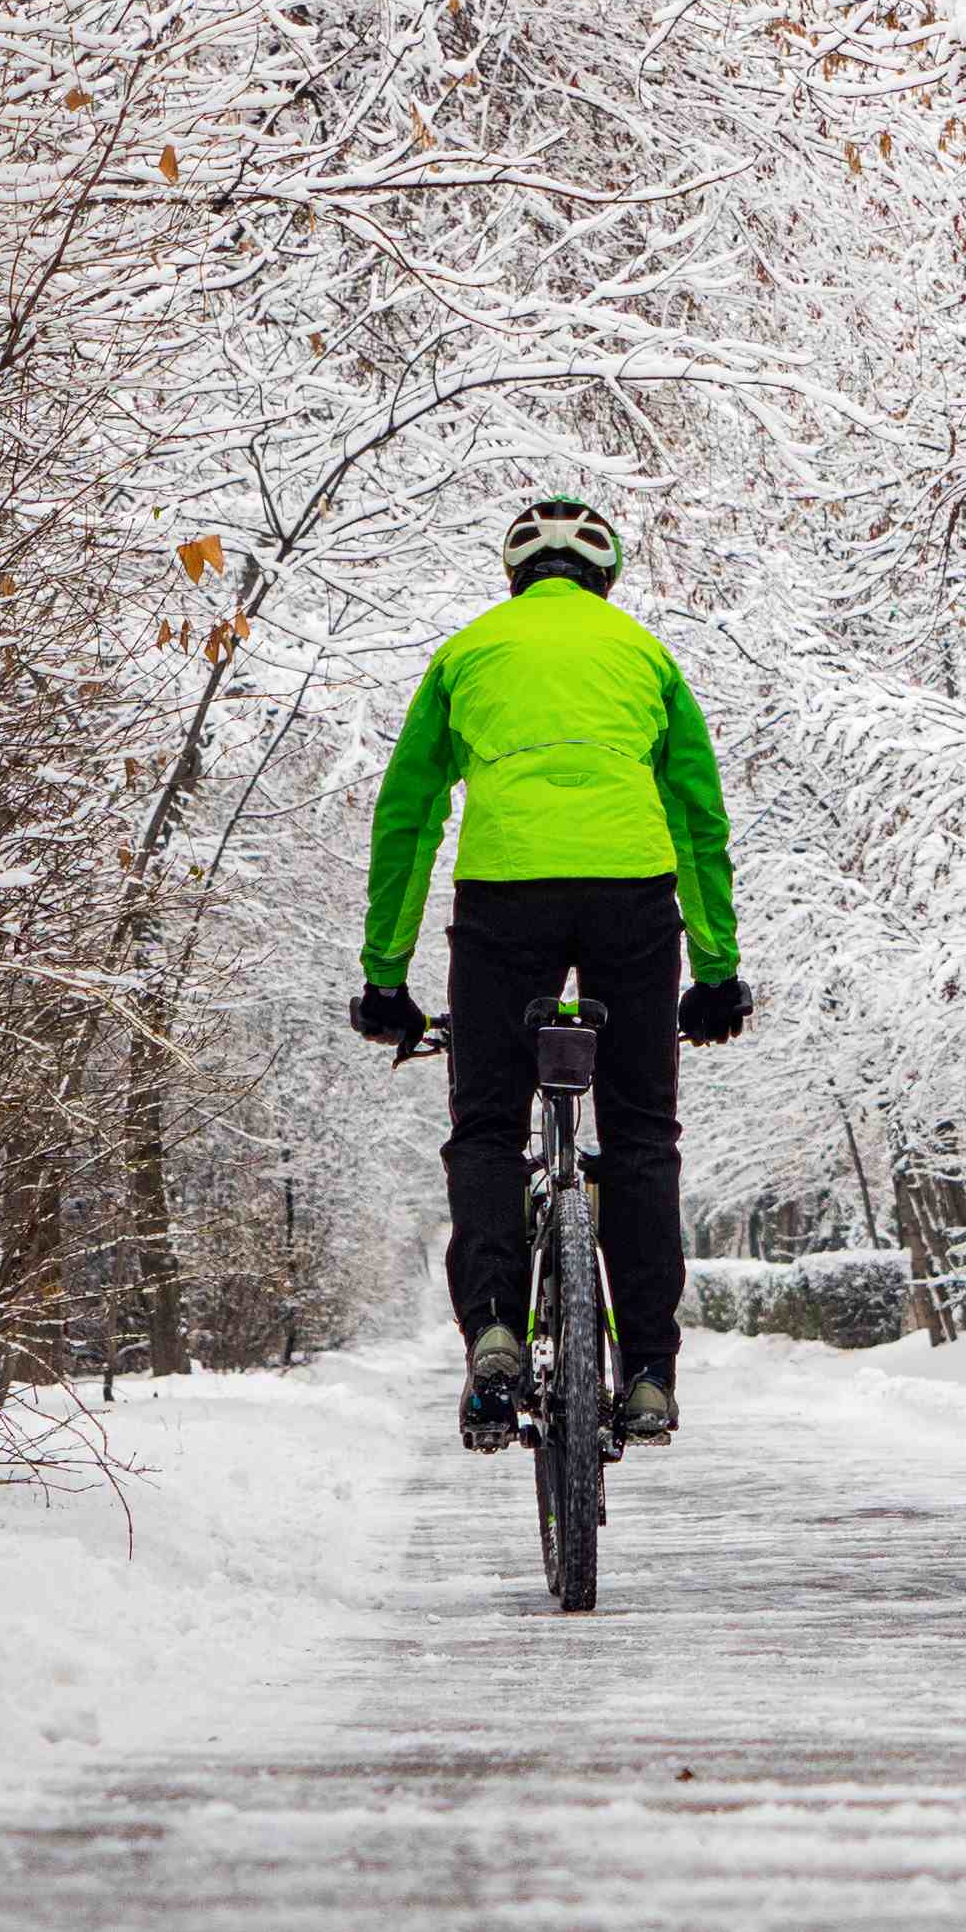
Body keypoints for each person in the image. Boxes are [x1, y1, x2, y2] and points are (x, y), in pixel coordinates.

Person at [354, 492, 749, 1453]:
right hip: (633, 897)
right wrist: (716, 968)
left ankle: (493, 1323)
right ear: (605, 579)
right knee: (644, 1131)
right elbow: (698, 818)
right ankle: (649, 1372)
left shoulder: (465, 654)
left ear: (514, 576)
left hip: (506, 896)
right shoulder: (647, 657)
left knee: (488, 1122)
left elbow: (408, 817)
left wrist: (386, 976)